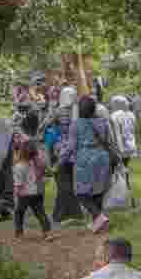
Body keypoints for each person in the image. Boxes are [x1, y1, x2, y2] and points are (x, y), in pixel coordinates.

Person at [69, 96, 115, 233]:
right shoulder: (103, 122)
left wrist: (61, 159)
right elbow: (109, 140)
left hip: (85, 159)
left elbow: (71, 146)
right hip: (103, 158)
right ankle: (98, 225)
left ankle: (100, 218)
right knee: (98, 191)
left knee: (81, 193)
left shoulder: (76, 124)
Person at [48, 87, 85, 226]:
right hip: (77, 152)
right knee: (70, 183)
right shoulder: (80, 111)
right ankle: (74, 214)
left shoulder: (58, 111)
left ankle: (60, 215)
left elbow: (45, 125)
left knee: (63, 185)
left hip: (61, 151)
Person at [13, 140, 52, 241]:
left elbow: (19, 184)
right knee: (40, 213)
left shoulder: (19, 167)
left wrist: (17, 194)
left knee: (19, 213)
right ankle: (47, 232)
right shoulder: (38, 165)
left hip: (24, 195)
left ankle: (19, 233)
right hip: (37, 193)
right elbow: (46, 173)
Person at [110, 96, 138, 206]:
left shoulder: (114, 116)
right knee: (124, 172)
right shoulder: (131, 115)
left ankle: (122, 199)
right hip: (130, 148)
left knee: (117, 174)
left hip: (119, 149)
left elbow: (114, 134)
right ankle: (128, 198)